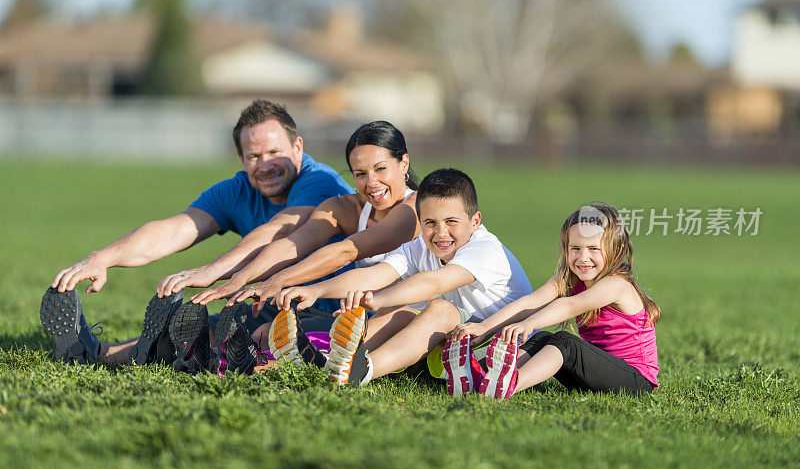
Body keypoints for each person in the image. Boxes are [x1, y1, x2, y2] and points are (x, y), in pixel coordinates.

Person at [41, 99, 353, 366]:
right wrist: (102, 258)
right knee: (188, 332)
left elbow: (281, 230)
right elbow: (174, 230)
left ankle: (210, 350)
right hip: (271, 304)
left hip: (332, 309)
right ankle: (92, 352)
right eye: (254, 156)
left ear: (298, 147)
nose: (265, 165)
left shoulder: (320, 182)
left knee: (229, 339)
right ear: (242, 159)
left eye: (274, 152)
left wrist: (213, 271)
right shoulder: (237, 190)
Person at [168, 121, 422, 374]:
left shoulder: (417, 209)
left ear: (404, 164)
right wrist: (240, 278)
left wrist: (278, 280)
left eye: (380, 169)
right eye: (360, 174)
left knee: (291, 343)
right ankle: (209, 358)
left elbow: (346, 251)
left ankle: (271, 364)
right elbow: (293, 244)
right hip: (357, 318)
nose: (372, 183)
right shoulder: (347, 208)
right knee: (266, 333)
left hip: (410, 321)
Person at [270, 168, 533, 387]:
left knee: (440, 309)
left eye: (451, 221)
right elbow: (375, 274)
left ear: (475, 221)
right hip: (456, 349)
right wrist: (317, 290)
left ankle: (360, 371)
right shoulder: (420, 245)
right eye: (430, 223)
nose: (441, 233)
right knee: (402, 309)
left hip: (505, 351)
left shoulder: (485, 248)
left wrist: (378, 299)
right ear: (420, 220)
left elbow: (434, 284)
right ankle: (332, 362)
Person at [447, 202, 660, 399]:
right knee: (541, 339)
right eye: (575, 249)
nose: (583, 258)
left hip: (635, 382)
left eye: (593, 249)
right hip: (592, 373)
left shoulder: (617, 284)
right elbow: (531, 302)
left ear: (617, 250)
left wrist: (528, 324)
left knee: (565, 341)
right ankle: (482, 379)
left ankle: (510, 384)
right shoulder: (569, 278)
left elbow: (570, 305)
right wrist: (484, 327)